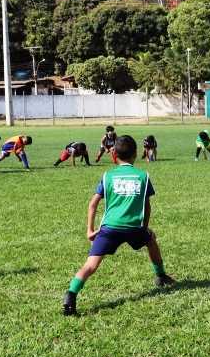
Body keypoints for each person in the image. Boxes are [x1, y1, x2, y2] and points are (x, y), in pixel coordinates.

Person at [62, 135, 174, 316]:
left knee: (90, 266)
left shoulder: (108, 176)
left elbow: (93, 204)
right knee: (151, 240)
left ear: (114, 154)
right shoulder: (143, 176)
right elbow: (147, 206)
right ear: (136, 154)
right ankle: (160, 276)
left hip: (109, 229)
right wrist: (144, 228)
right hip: (134, 228)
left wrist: (90, 230)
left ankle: (71, 294)